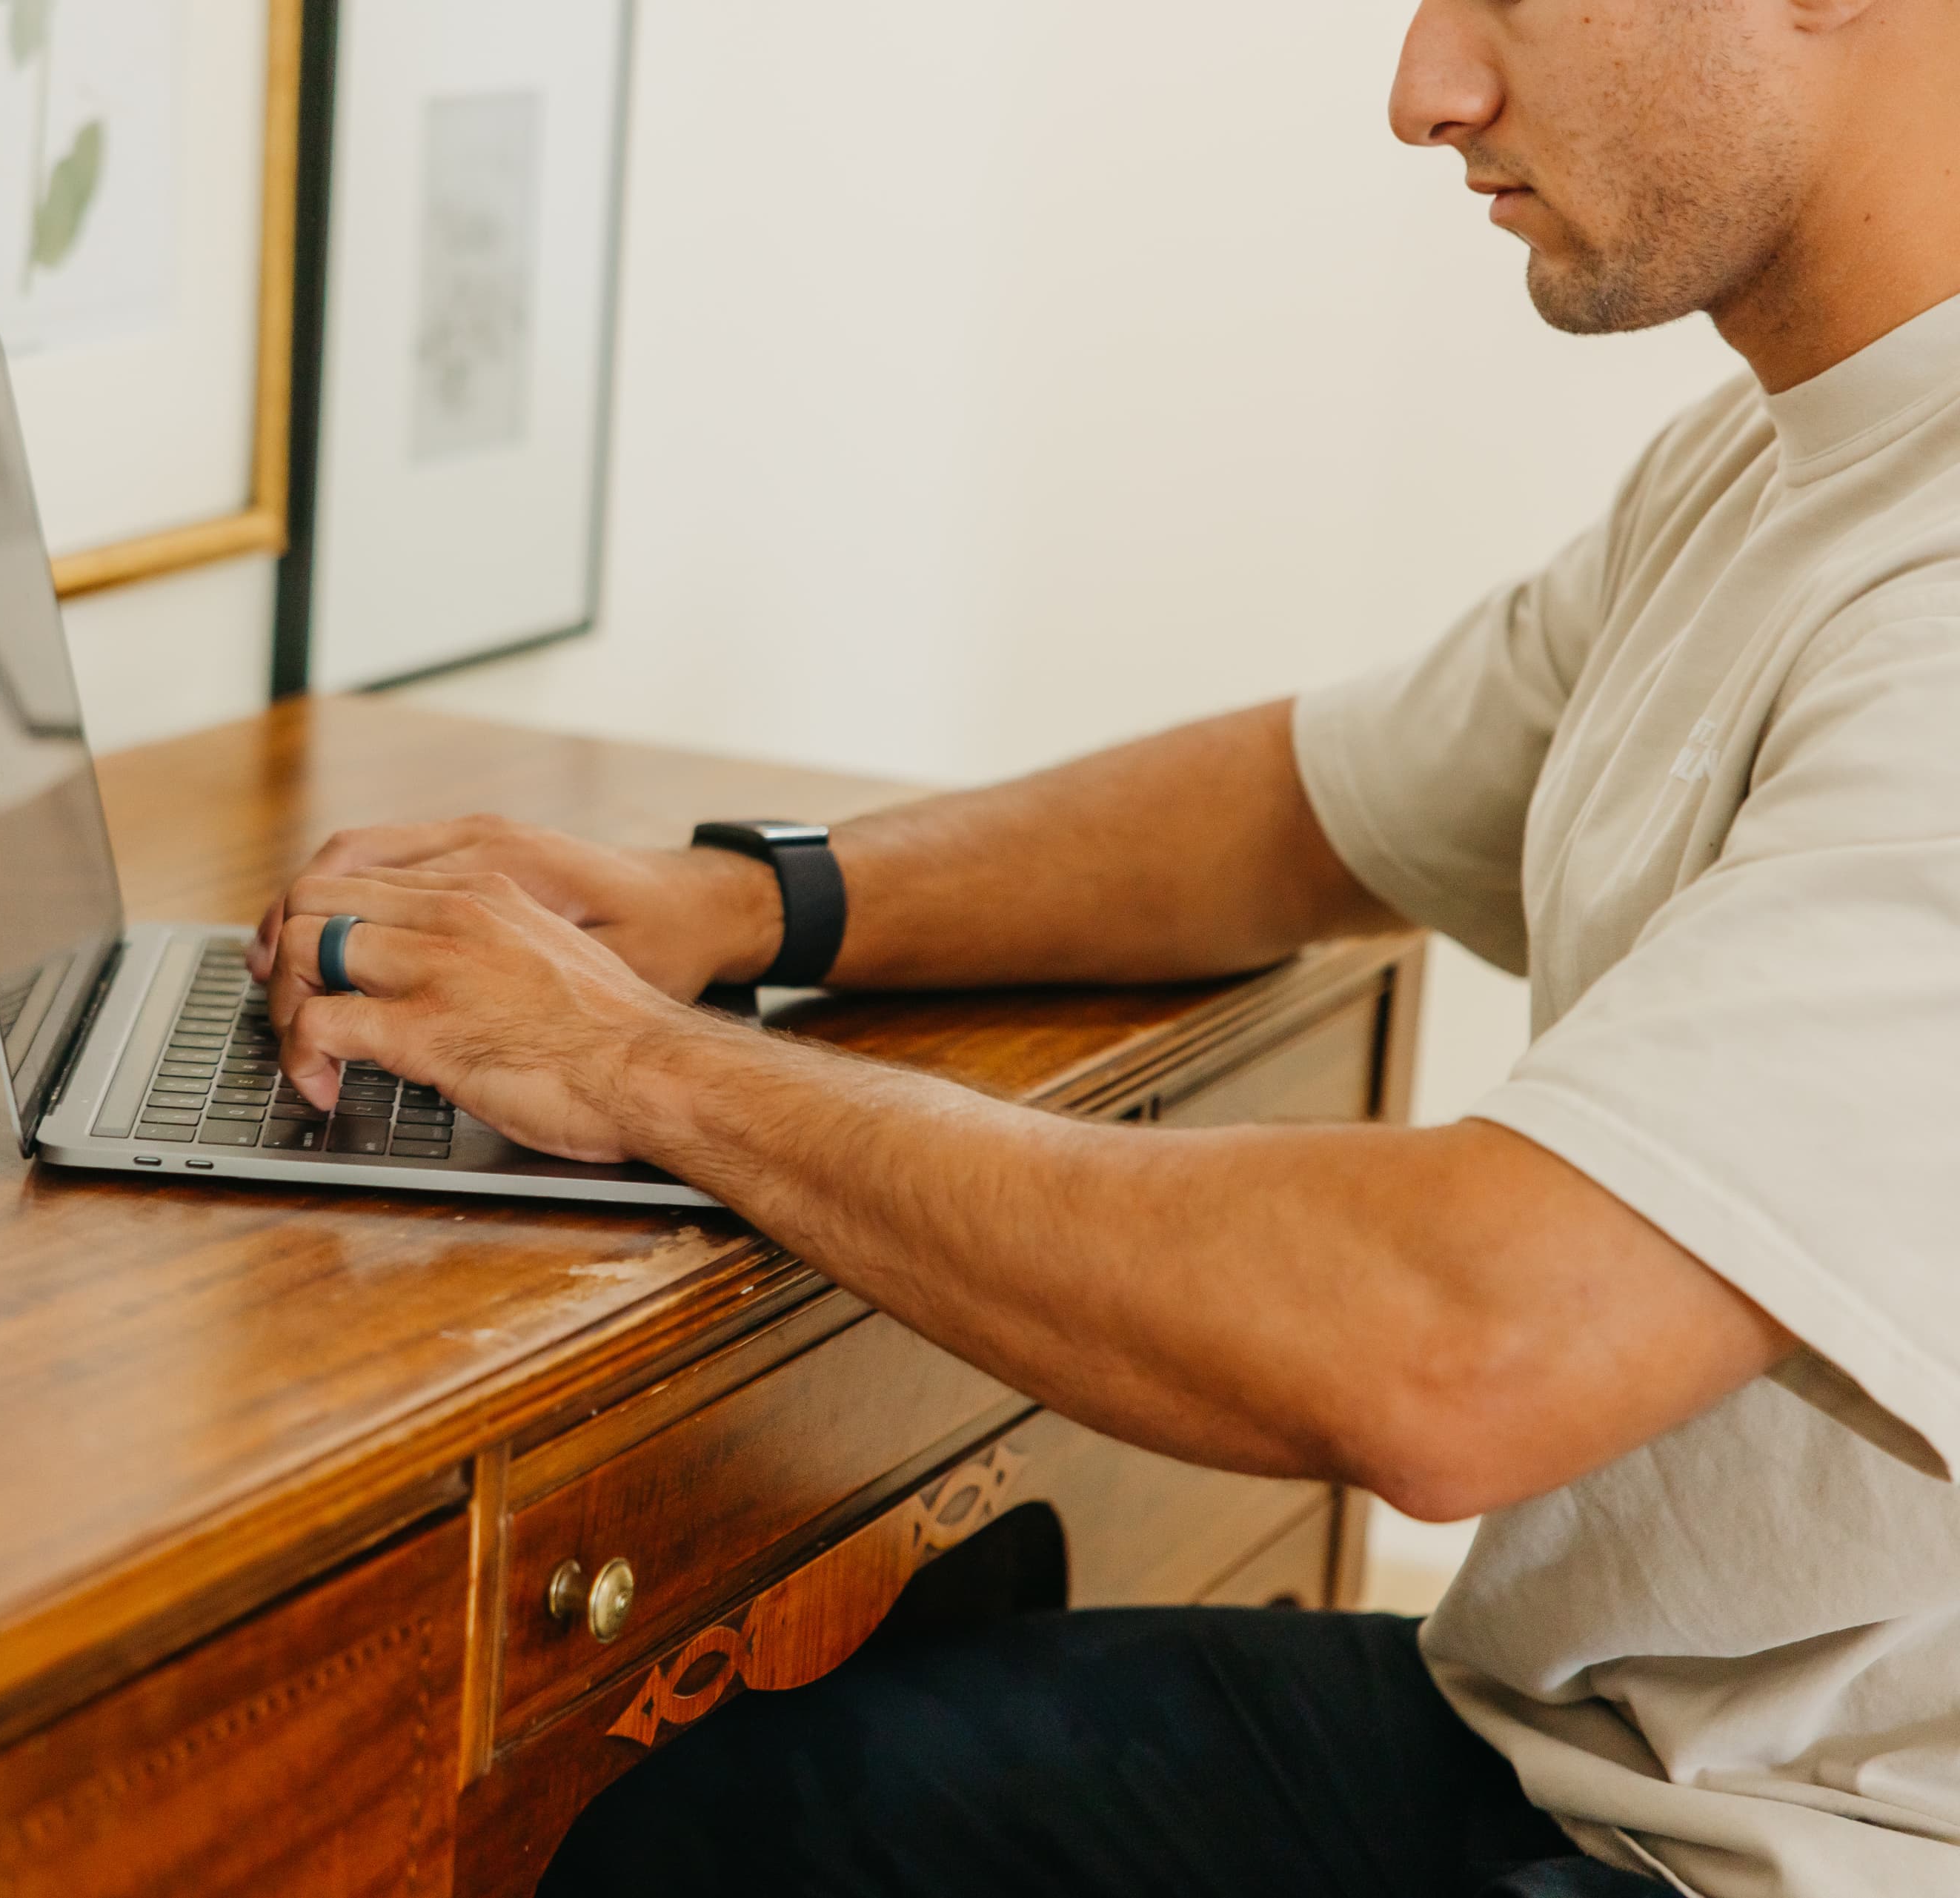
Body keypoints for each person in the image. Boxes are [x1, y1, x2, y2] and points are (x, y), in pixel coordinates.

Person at [249, 1, 1960, 1893]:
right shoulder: (1770, 471)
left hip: (1812, 1858)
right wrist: (736, 906)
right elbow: (1310, 805)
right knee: (712, 1838)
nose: (1426, 91)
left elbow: (1464, 1354)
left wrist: (637, 1065)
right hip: (1597, 1754)